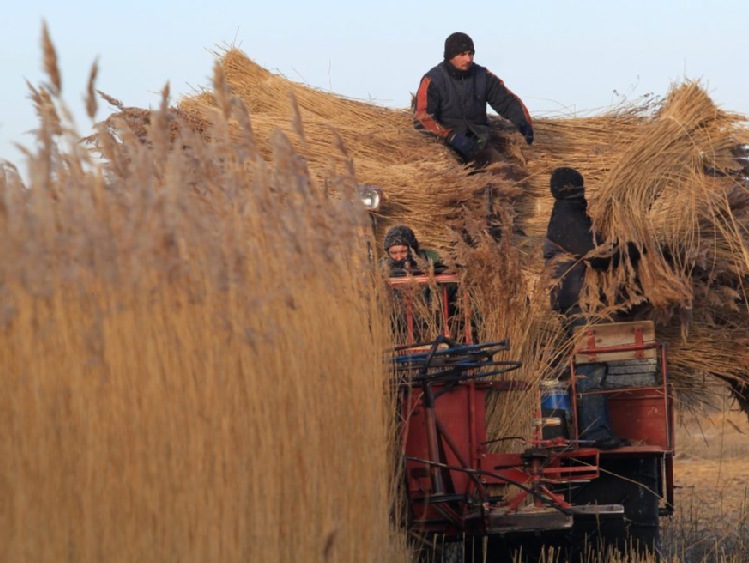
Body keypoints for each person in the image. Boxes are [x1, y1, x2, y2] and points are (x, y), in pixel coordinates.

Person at [543, 167, 642, 449]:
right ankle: (594, 434)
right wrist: (634, 250)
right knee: (592, 366)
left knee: (592, 365)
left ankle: (596, 430)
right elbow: (597, 256)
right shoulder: (567, 216)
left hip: (575, 302)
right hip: (578, 304)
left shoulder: (569, 215)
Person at [413, 32, 534, 167]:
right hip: (444, 145)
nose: (468, 59)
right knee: (449, 179)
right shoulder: (433, 80)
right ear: (450, 56)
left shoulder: (483, 76)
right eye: (462, 54)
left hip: (478, 144)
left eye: (471, 53)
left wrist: (523, 122)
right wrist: (451, 137)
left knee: (503, 172)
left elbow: (507, 101)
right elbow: (422, 117)